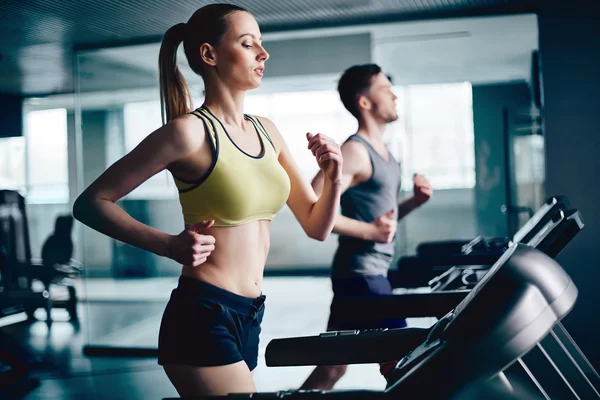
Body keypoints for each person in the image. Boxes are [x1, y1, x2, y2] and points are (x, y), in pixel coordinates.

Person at [72, 4, 343, 397]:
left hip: (250, 314)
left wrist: (333, 179)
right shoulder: (187, 133)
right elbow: (91, 202)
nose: (262, 54)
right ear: (209, 55)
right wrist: (168, 245)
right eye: (248, 44)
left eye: (261, 44)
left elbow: (317, 226)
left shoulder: (268, 131)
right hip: (202, 314)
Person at [299, 64, 433, 391]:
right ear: (365, 102)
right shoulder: (356, 151)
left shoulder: (387, 154)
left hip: (361, 275)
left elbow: (380, 222)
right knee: (407, 360)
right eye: (385, 89)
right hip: (363, 276)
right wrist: (370, 233)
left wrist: (413, 202)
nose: (394, 94)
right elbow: (312, 205)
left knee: (332, 369)